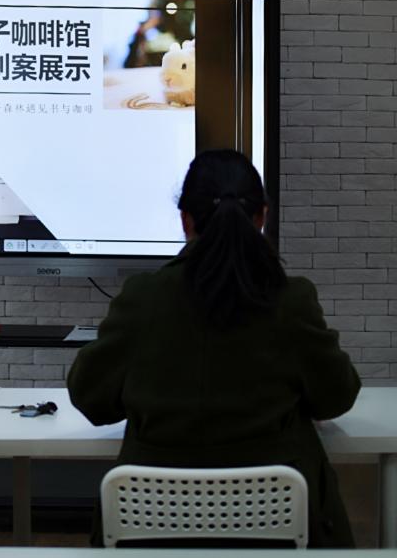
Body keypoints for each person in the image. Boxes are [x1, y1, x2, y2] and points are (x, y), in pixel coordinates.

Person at [67, 149, 361, 548]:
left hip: (152, 532)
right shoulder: (291, 299)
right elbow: (336, 397)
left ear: (186, 219)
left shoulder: (142, 297)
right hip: (277, 532)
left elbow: (91, 400)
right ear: (262, 216)